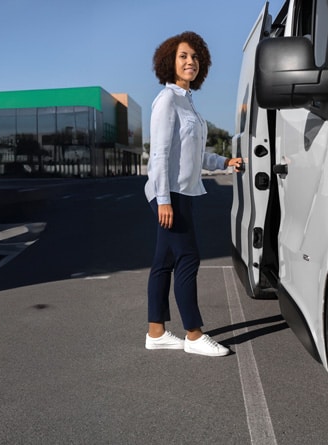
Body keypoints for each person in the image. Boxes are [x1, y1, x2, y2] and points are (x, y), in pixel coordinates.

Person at [143, 31, 244, 357]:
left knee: (164, 262)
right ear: (169, 62)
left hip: (182, 192)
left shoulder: (188, 103)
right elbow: (158, 154)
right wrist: (163, 200)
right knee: (188, 258)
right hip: (170, 193)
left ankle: (156, 332)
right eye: (183, 56)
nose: (191, 62)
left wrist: (225, 162)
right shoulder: (167, 100)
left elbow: (197, 156)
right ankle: (194, 334)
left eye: (195, 57)